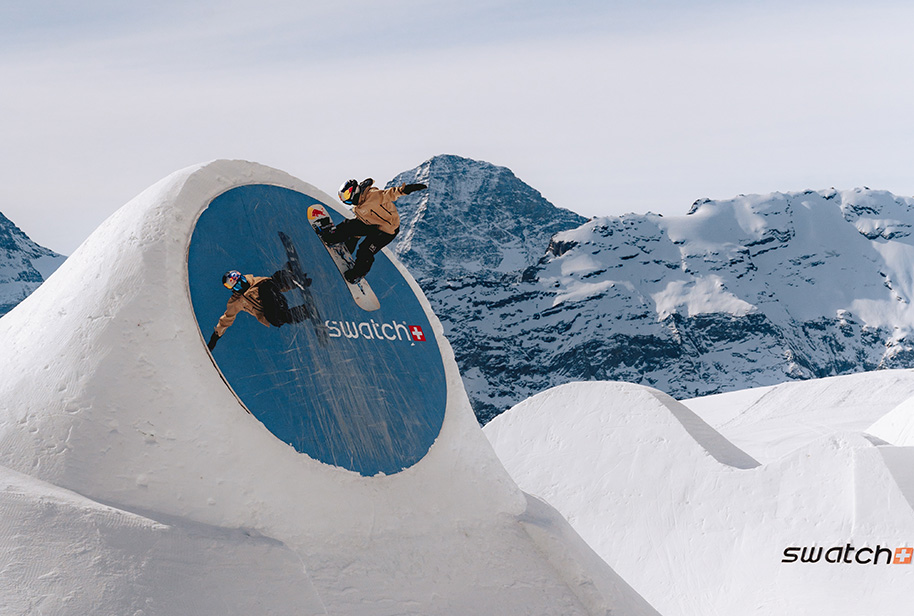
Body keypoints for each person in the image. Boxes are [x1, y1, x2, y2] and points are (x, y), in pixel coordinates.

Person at [320, 178, 427, 282]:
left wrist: (405, 189)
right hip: (373, 225)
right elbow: (360, 223)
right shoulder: (358, 207)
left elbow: (390, 194)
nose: (347, 200)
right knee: (350, 225)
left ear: (355, 191)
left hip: (387, 231)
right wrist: (354, 238)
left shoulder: (373, 195)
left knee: (365, 250)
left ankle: (358, 273)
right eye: (343, 198)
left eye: (347, 195)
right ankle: (333, 238)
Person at [207, 269, 310, 350]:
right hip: (272, 309)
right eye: (238, 287)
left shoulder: (253, 281)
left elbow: (275, 283)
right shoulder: (236, 302)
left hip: (273, 294)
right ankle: (305, 311)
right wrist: (214, 338)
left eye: (242, 281)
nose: (242, 285)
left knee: (267, 284)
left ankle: (293, 277)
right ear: (234, 290)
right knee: (277, 320)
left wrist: (293, 282)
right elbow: (226, 320)